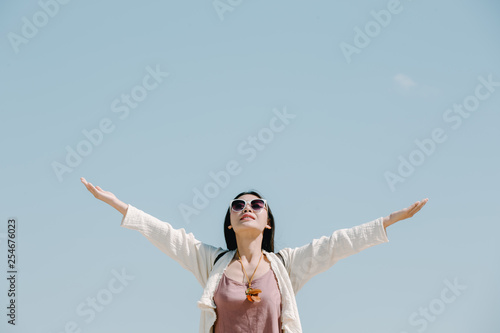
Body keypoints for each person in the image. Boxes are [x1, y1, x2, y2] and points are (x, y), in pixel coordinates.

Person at [80, 177, 428, 333]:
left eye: (256, 204)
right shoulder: (212, 263)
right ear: (230, 222)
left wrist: (389, 221)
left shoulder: (285, 267)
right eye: (238, 205)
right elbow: (167, 236)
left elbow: (336, 244)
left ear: (267, 221)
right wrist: (118, 204)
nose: (247, 208)